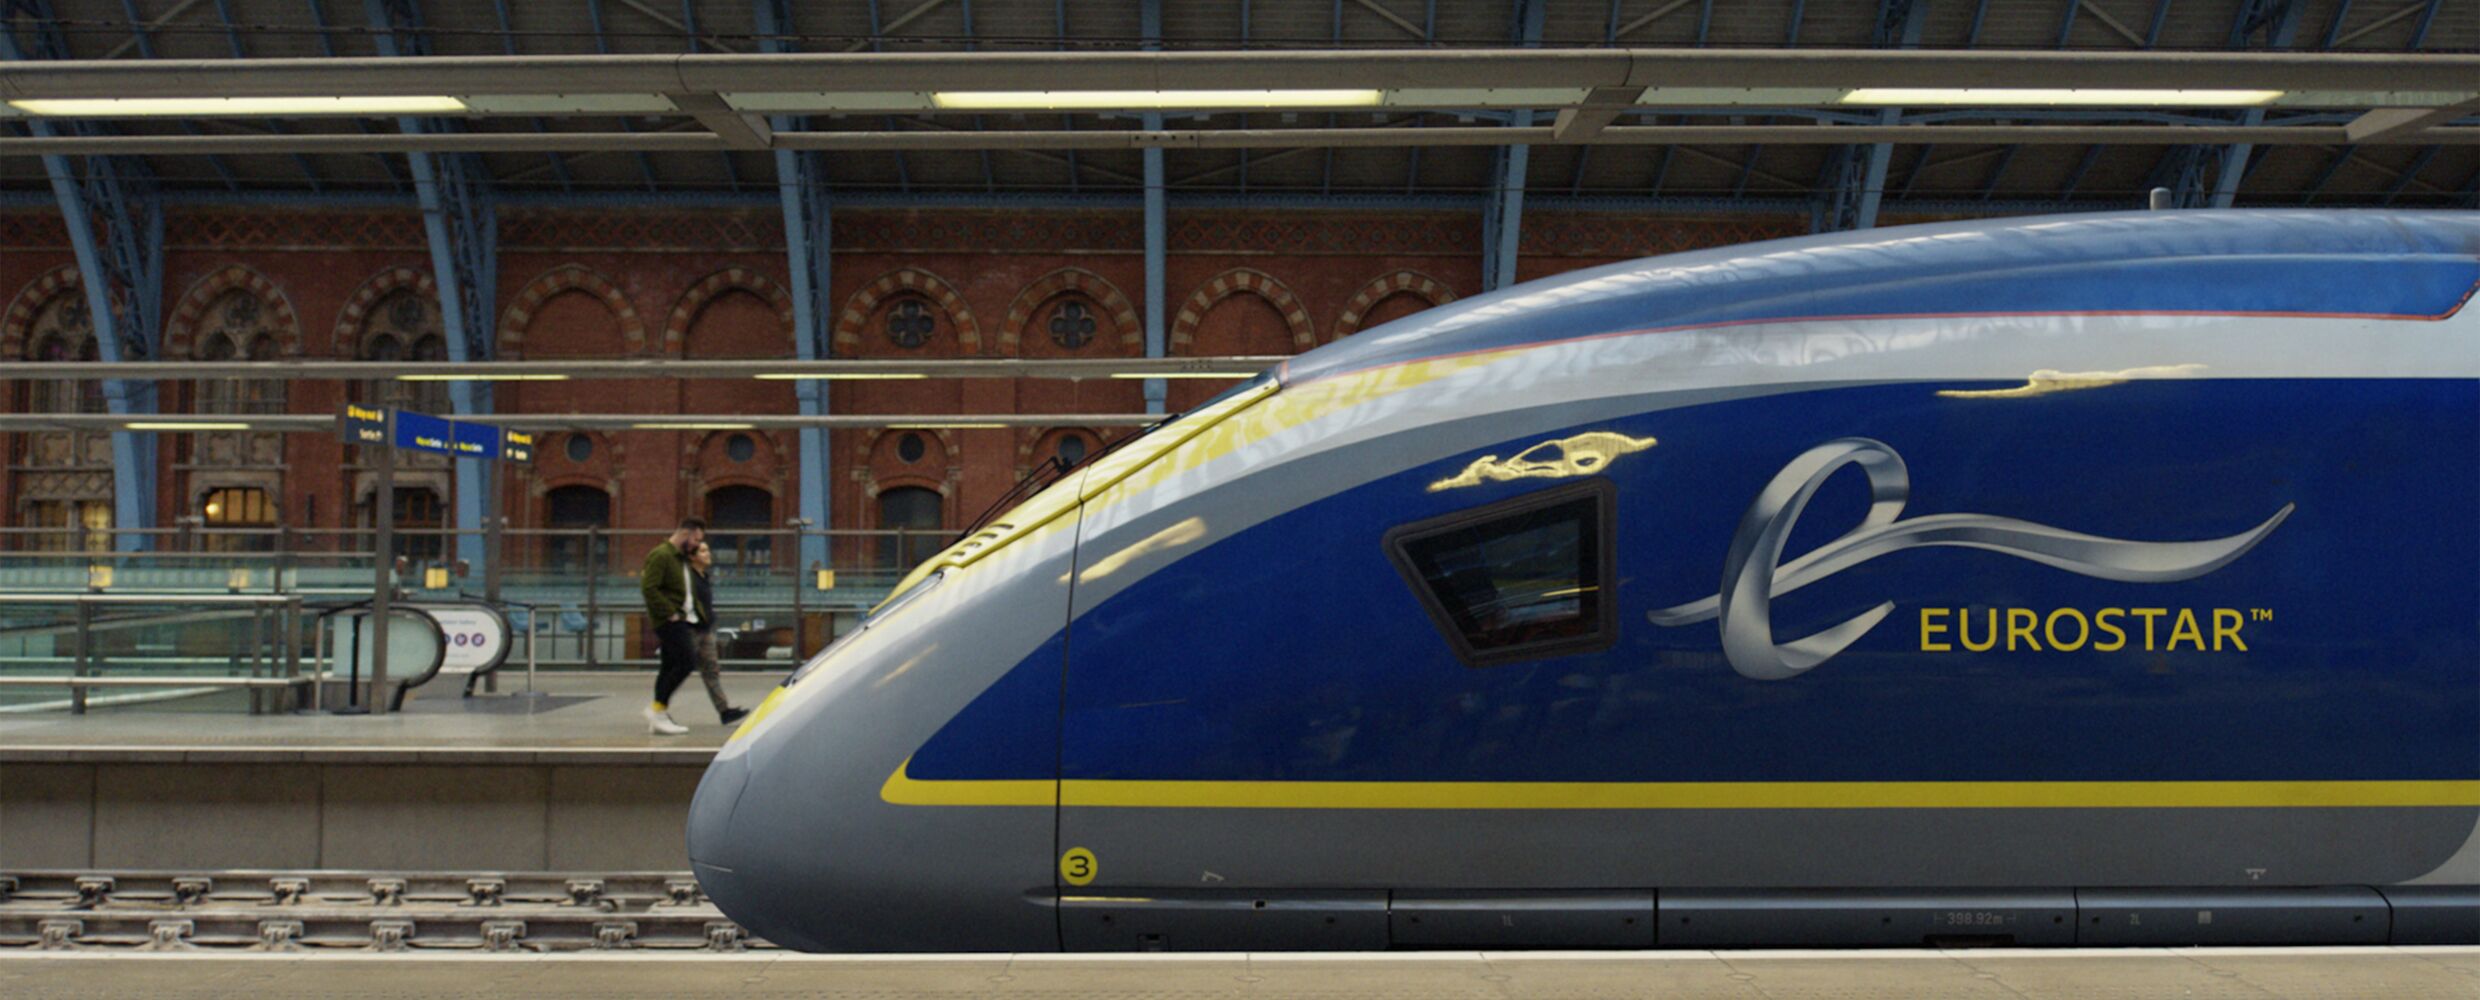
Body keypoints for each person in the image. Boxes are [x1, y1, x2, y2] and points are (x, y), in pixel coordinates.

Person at [639, 517, 706, 735]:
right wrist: (670, 613)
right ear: (685, 534)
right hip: (669, 620)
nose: (697, 545)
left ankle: (659, 717)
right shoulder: (661, 555)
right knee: (686, 662)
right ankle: (656, 708)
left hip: (683, 618)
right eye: (696, 539)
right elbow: (649, 587)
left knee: (668, 666)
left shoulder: (679, 558)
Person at [687, 540, 748, 725]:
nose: (708, 554)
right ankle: (660, 708)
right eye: (703, 551)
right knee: (677, 671)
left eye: (708, 550)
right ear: (693, 556)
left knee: (711, 670)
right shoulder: (688, 578)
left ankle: (724, 711)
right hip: (690, 631)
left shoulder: (704, 576)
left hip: (705, 631)